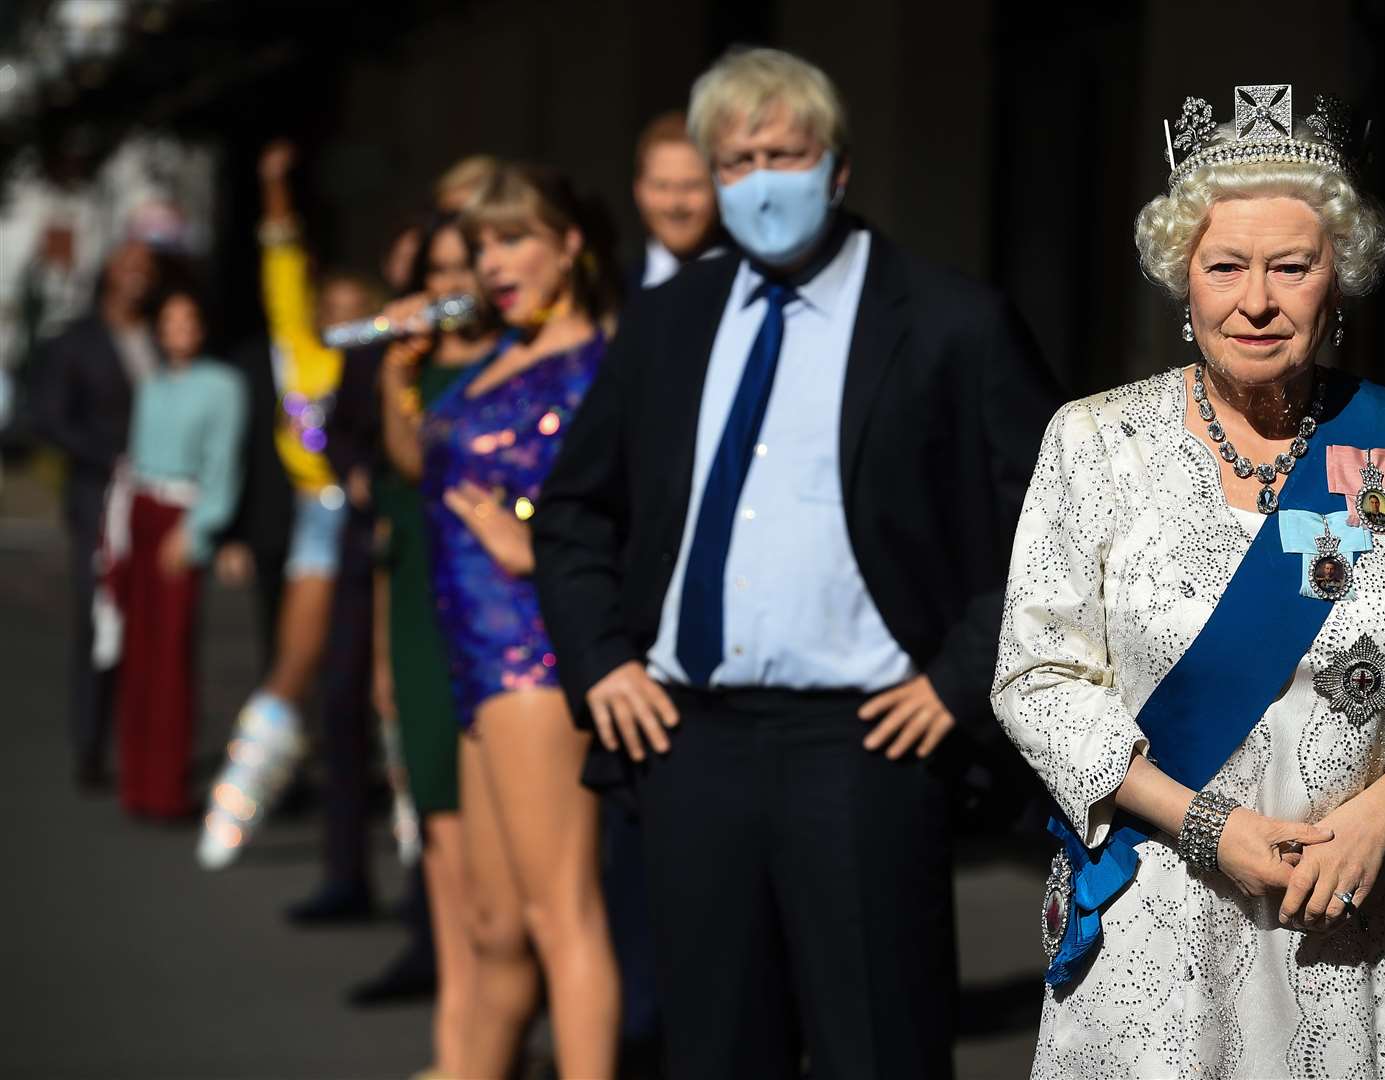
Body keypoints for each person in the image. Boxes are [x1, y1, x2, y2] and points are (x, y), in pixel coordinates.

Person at [532, 47, 1061, 1080]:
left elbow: (1056, 529)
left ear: (839, 166)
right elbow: (574, 512)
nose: (762, 179)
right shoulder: (666, 322)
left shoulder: (952, 323)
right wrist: (600, 660)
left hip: (868, 748)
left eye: (786, 153)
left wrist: (958, 680)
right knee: (718, 1051)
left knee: (880, 1045)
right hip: (690, 741)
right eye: (736, 161)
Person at [990, 85, 1385, 1077]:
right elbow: (1038, 677)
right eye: (1225, 266)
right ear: (1182, 277)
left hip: (1365, 923)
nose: (1257, 301)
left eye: (1293, 265)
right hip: (1164, 920)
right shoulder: (1095, 442)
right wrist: (1206, 825)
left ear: (1340, 277)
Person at [416, 162, 621, 1078]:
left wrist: (529, 539)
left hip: (536, 657)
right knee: (493, 928)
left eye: (514, 240)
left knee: (557, 914)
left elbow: (632, 519)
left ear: (570, 244)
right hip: (470, 659)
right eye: (481, 246)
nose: (492, 264)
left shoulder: (600, 363)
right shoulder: (495, 354)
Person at [197, 140, 379, 869]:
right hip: (318, 511)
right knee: (294, 661)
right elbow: (280, 259)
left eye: (353, 309)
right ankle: (235, 806)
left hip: (377, 519)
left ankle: (410, 829)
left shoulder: (384, 355)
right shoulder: (301, 351)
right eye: (327, 307)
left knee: (384, 683)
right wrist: (274, 185)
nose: (339, 317)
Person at [371, 208, 496, 1074]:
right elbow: (403, 486)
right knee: (441, 840)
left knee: (502, 872)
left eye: (465, 266)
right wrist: (393, 382)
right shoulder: (414, 372)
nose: (452, 285)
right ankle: (457, 1040)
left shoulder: (513, 366)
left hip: (490, 616)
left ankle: (490, 1040)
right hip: (417, 606)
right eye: (438, 270)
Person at [107, 288, 246, 818]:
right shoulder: (151, 385)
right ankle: (136, 781)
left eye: (189, 319)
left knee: (170, 655)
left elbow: (222, 465)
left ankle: (167, 784)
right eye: (170, 320)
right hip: (139, 511)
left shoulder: (223, 387)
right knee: (136, 649)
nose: (179, 329)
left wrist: (198, 529)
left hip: (179, 517)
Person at [31, 239, 157, 790]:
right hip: (100, 494)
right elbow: (52, 419)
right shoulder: (74, 341)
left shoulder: (160, 334)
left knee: (151, 620)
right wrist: (112, 460)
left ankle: (142, 742)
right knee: (98, 616)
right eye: (127, 264)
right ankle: (90, 742)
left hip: (159, 495)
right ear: (108, 270)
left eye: (146, 267)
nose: (137, 276)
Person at [629, 111, 725, 291]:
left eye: (691, 186)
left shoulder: (748, 287)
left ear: (718, 188)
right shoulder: (614, 293)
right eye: (661, 186)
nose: (675, 204)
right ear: (638, 190)